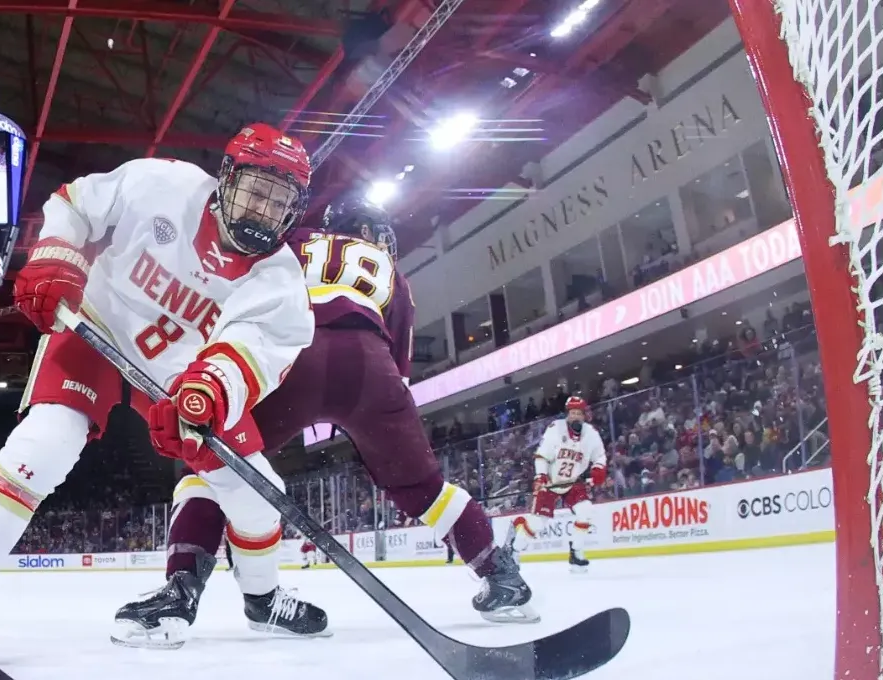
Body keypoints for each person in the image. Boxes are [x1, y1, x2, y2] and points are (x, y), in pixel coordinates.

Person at [0, 123, 327, 645]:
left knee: (258, 492)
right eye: (255, 189)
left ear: (293, 211)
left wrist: (208, 391)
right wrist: (57, 255)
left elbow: (253, 354)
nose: (260, 209)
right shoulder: (161, 185)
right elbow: (74, 206)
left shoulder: (280, 282)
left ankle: (263, 599)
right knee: (44, 444)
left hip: (178, 379)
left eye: (277, 201)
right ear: (227, 177)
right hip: (95, 329)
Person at [113, 199, 537, 647]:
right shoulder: (393, 275)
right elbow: (400, 370)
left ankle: (179, 594)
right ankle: (501, 577)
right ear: (371, 235)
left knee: (213, 466)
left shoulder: (291, 243)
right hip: (370, 367)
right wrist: (378, 428)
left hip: (292, 354)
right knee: (424, 490)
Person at [511, 396, 607, 574]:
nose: (575, 417)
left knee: (585, 511)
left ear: (584, 415)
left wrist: (598, 468)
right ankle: (514, 551)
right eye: (572, 413)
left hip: (573, 482)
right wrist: (540, 476)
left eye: (579, 413)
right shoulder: (556, 428)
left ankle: (576, 552)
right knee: (538, 523)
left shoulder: (591, 434)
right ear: (567, 414)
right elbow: (542, 456)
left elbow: (599, 456)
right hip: (551, 481)